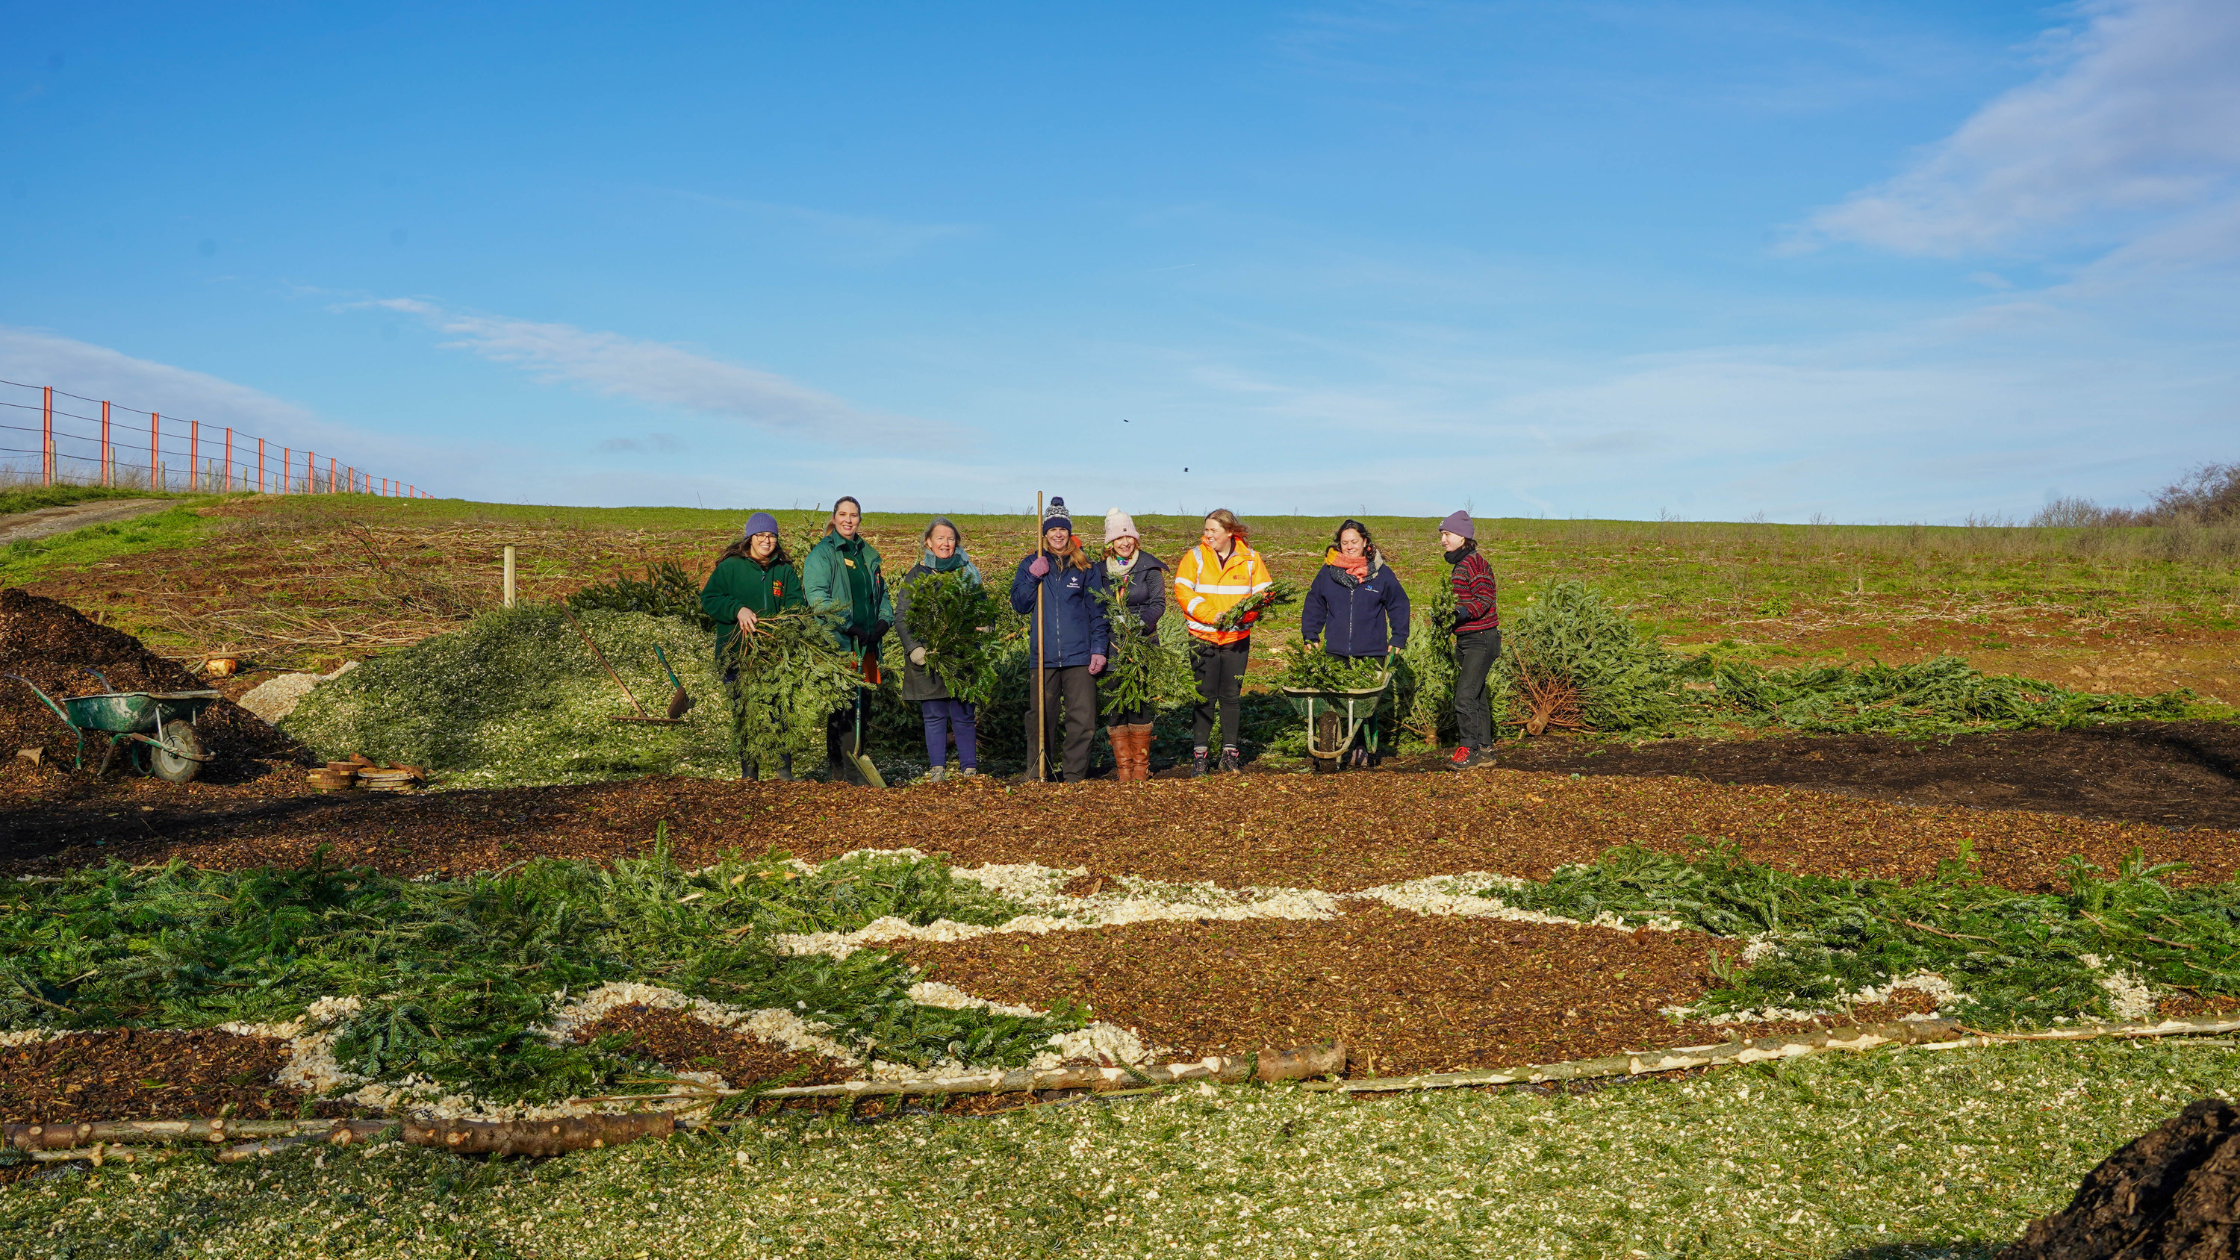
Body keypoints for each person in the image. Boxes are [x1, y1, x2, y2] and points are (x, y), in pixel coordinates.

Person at [699, 511, 806, 780]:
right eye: (760, 535)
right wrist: (737, 609)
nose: (766, 540)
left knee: (781, 712)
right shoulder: (730, 567)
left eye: (771, 536)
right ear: (749, 538)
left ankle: (784, 774)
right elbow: (709, 599)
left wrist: (784, 626)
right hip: (737, 655)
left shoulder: (784, 570)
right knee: (746, 715)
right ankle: (750, 776)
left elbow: (797, 606)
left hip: (775, 656)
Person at [1008, 497, 1110, 783]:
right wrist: (1031, 578)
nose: (1057, 534)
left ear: (1069, 531)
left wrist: (1098, 649)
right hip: (1044, 656)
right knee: (1041, 718)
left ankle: (1075, 774)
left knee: (1083, 719)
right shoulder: (1032, 563)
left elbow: (1098, 611)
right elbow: (1019, 604)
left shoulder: (1084, 567)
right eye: (1052, 529)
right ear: (1045, 532)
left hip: (1079, 655)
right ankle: (1041, 773)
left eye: (1062, 529)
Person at [1298, 519, 1410, 769]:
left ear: (1365, 543)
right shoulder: (1328, 573)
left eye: (1354, 542)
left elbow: (1399, 604)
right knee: (1335, 702)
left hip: (1371, 651)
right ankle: (1331, 744)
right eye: (1344, 542)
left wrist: (1399, 637)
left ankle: (1360, 746)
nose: (1349, 547)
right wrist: (1311, 635)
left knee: (1363, 705)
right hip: (1335, 651)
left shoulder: (1381, 574)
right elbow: (1314, 603)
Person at [1172, 508, 1273, 776]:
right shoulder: (1194, 557)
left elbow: (1264, 595)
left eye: (1213, 530)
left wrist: (1243, 614)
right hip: (1202, 637)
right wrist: (1212, 616)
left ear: (1229, 532)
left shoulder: (1251, 559)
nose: (1207, 535)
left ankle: (1230, 755)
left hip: (1237, 638)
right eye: (1206, 530)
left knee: (1231, 697)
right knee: (1204, 697)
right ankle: (1200, 756)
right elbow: (1183, 592)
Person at [802, 497, 894, 783]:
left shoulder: (867, 553)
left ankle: (856, 760)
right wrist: (849, 627)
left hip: (867, 645)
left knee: (862, 704)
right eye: (843, 514)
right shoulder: (823, 554)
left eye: (853, 515)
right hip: (838, 645)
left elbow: (883, 595)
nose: (848, 520)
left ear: (860, 519)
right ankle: (840, 770)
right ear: (834, 517)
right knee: (840, 706)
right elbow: (818, 598)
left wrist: (882, 622)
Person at [894, 516, 983, 782]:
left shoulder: (967, 573)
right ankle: (937, 768)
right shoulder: (917, 575)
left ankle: (969, 767)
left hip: (961, 655)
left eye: (951, 538)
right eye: (940, 538)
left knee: (963, 712)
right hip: (928, 655)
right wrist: (914, 648)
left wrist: (985, 625)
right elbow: (903, 614)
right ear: (928, 542)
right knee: (933, 714)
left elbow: (982, 608)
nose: (946, 543)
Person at [1099, 508, 1169, 781]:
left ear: (1135, 539)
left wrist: (1140, 627)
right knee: (1116, 703)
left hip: (1142, 644)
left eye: (1128, 536)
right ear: (1110, 543)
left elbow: (1158, 604)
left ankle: (1141, 767)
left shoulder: (1149, 567)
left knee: (1139, 702)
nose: (1125, 542)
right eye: (1118, 538)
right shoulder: (1101, 571)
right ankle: (1124, 768)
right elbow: (1096, 604)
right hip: (1112, 646)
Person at [1439, 510, 1500, 770]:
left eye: (1447, 534)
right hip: (1467, 638)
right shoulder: (1460, 564)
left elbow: (1485, 598)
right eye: (1442, 534)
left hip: (1482, 638)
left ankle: (1468, 750)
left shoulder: (1475, 562)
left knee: (1464, 697)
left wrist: (1462, 612)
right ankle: (1485, 750)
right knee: (1477, 696)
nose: (1443, 539)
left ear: (1463, 537)